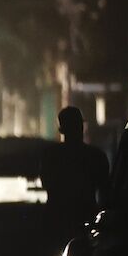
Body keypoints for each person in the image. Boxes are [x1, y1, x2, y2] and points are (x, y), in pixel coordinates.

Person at [40, 105, 111, 244]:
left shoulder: (51, 155)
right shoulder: (96, 156)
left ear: (61, 129)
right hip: (86, 219)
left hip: (57, 220)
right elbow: (105, 191)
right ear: (82, 127)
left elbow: (47, 183)